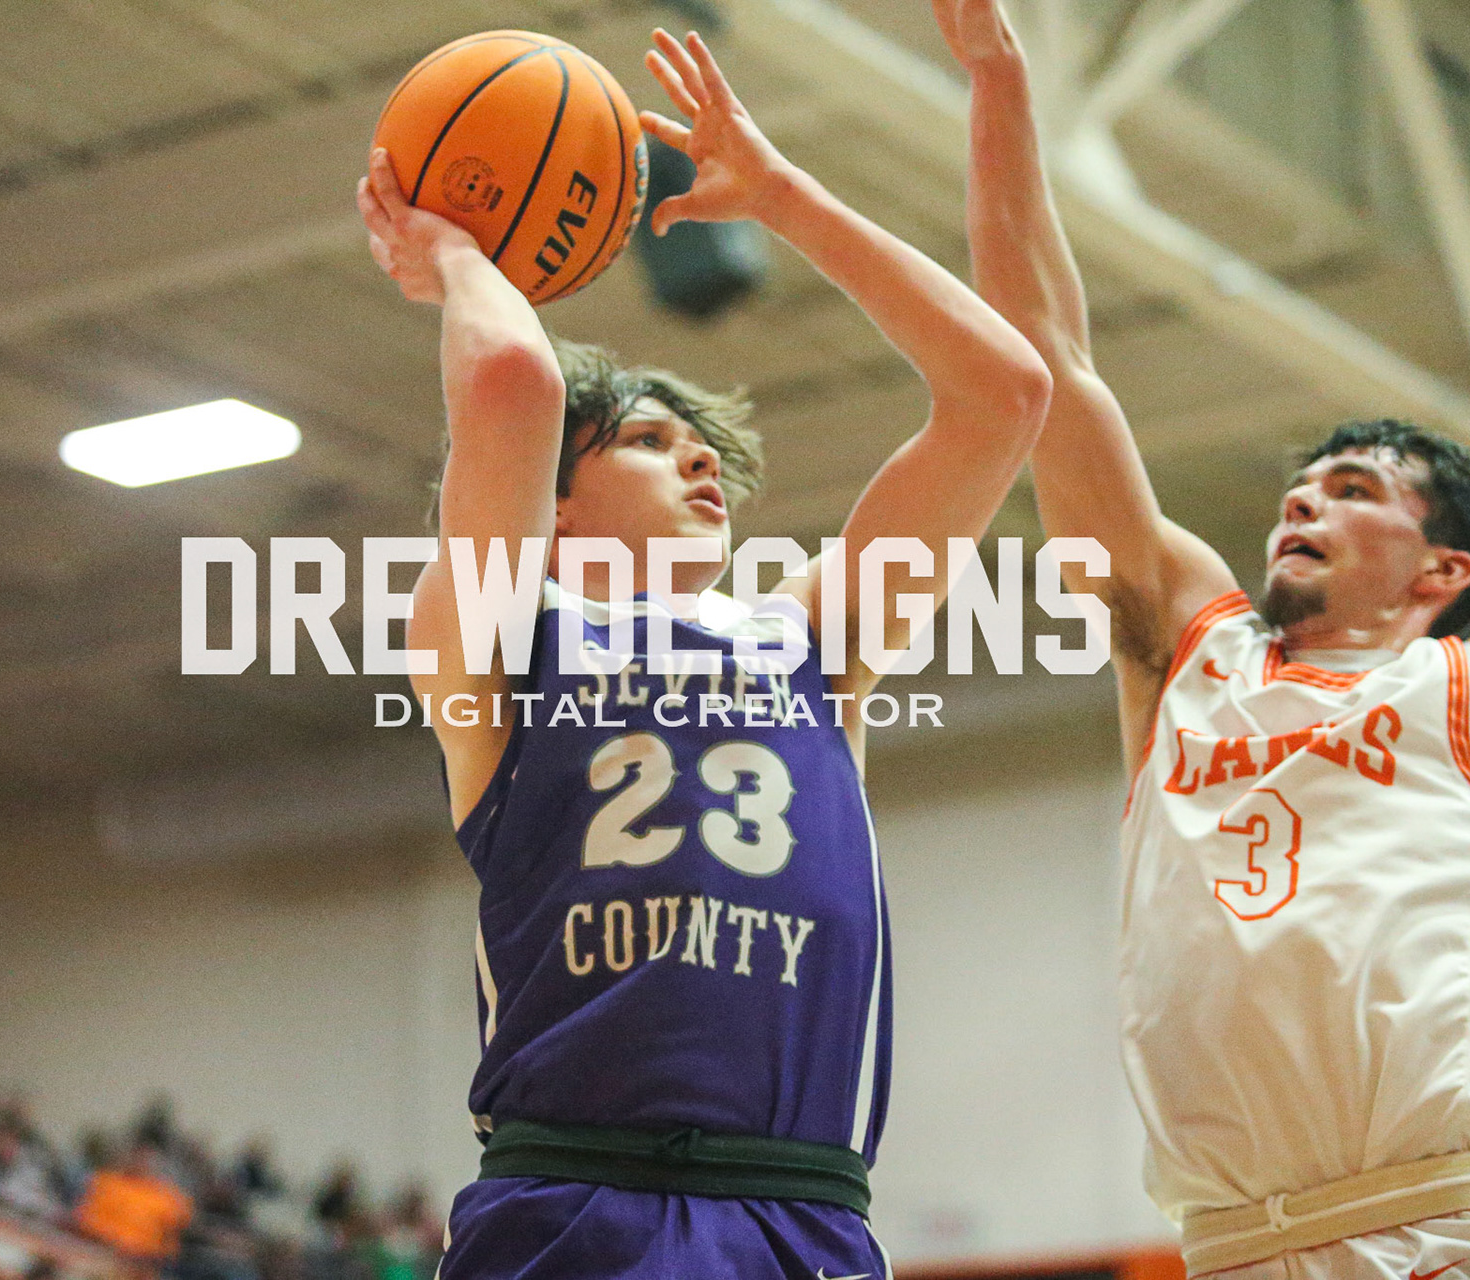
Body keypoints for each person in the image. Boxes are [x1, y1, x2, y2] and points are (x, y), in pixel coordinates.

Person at [355, 25, 1051, 1280]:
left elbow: (1004, 390)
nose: (695, 460)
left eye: (703, 450)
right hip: (573, 1200)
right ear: (556, 510)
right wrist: (452, 252)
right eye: (646, 439)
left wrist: (787, 198)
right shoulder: (504, 645)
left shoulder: (812, 638)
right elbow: (511, 375)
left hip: (799, 1214)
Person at [934, 1, 1470, 1276]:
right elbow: (1052, 364)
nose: (1303, 502)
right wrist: (998, 88)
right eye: (1302, 488)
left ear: (1444, 569)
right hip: (1230, 1246)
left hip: (1446, 1227)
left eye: (1353, 490)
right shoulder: (1183, 648)